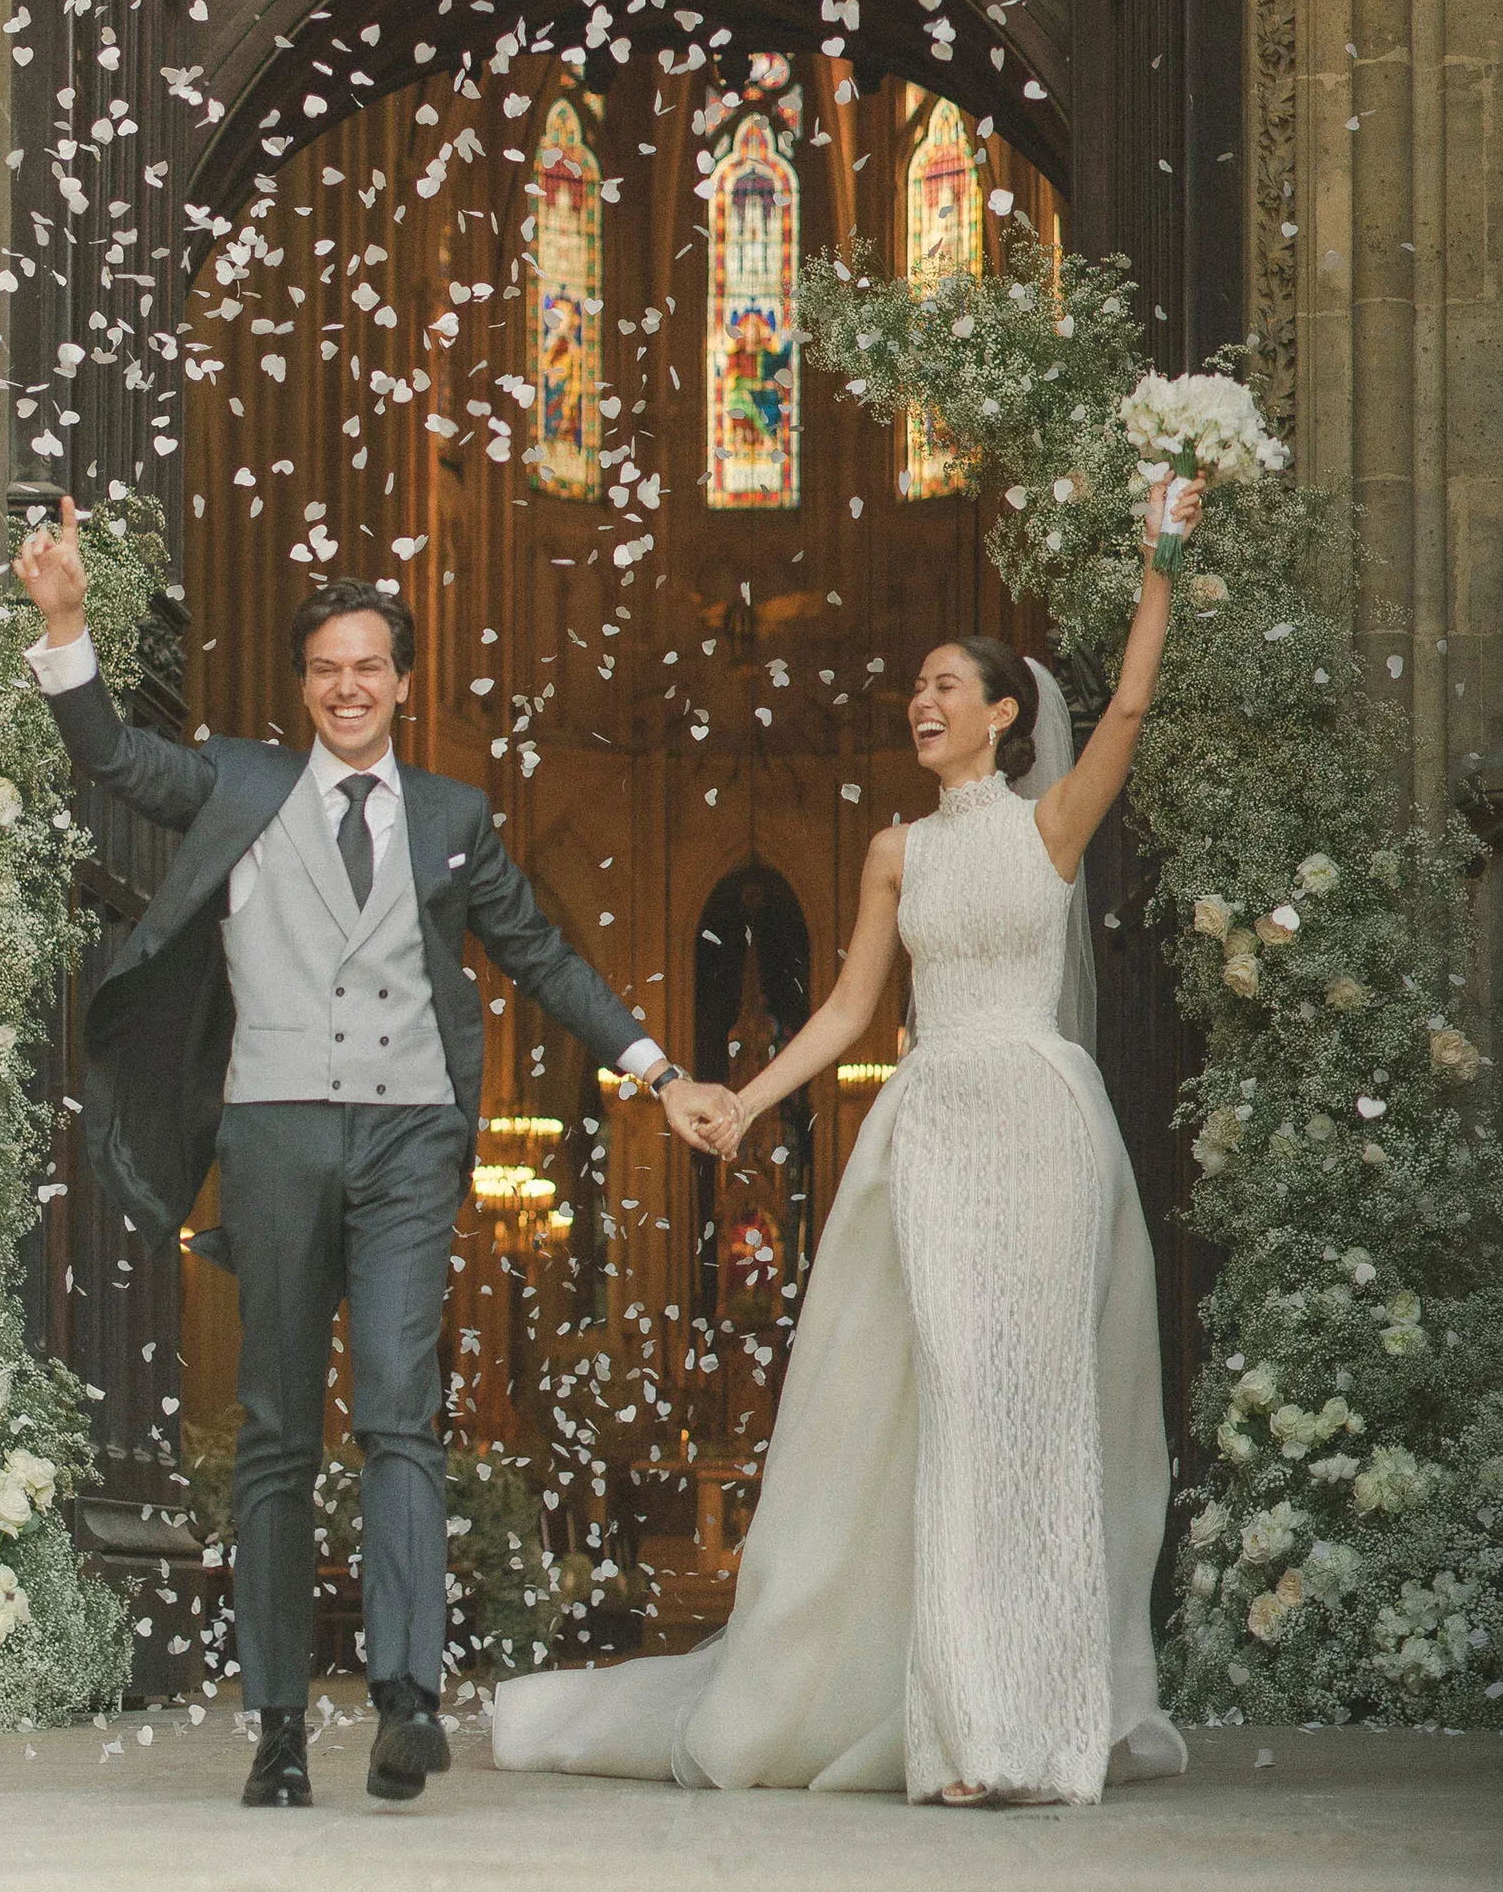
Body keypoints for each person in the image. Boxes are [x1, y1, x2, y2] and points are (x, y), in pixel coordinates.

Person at [493, 471, 1206, 1807]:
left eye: (950, 684)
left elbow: (1128, 704)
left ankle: (1037, 1727)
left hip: (1043, 1134)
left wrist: (1160, 560)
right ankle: (952, 1733)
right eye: (918, 687)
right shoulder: (894, 853)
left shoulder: (1054, 826)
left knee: (1031, 1420)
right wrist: (744, 1099)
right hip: (932, 1130)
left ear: (1004, 713)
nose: (924, 702)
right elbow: (843, 1009)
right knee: (955, 1411)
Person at [12, 502, 733, 1808]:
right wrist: (65, 623)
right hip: (278, 1136)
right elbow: (114, 759)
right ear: (305, 687)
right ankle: (280, 1727)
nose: (349, 687)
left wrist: (659, 1073)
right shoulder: (238, 783)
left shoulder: (455, 815)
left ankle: (407, 1699)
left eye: (370, 666)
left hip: (409, 1140)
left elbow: (543, 957)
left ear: (402, 684)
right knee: (284, 1431)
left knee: (403, 1409)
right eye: (327, 667)